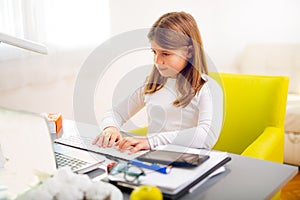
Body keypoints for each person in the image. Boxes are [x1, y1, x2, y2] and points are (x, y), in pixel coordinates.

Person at [93, 11, 223, 153]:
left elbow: (207, 135)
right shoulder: (152, 85)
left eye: (165, 54)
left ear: (189, 52)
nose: (157, 61)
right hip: (155, 159)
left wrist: (151, 141)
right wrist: (110, 128)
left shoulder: (206, 88)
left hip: (189, 162)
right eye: (154, 52)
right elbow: (116, 113)